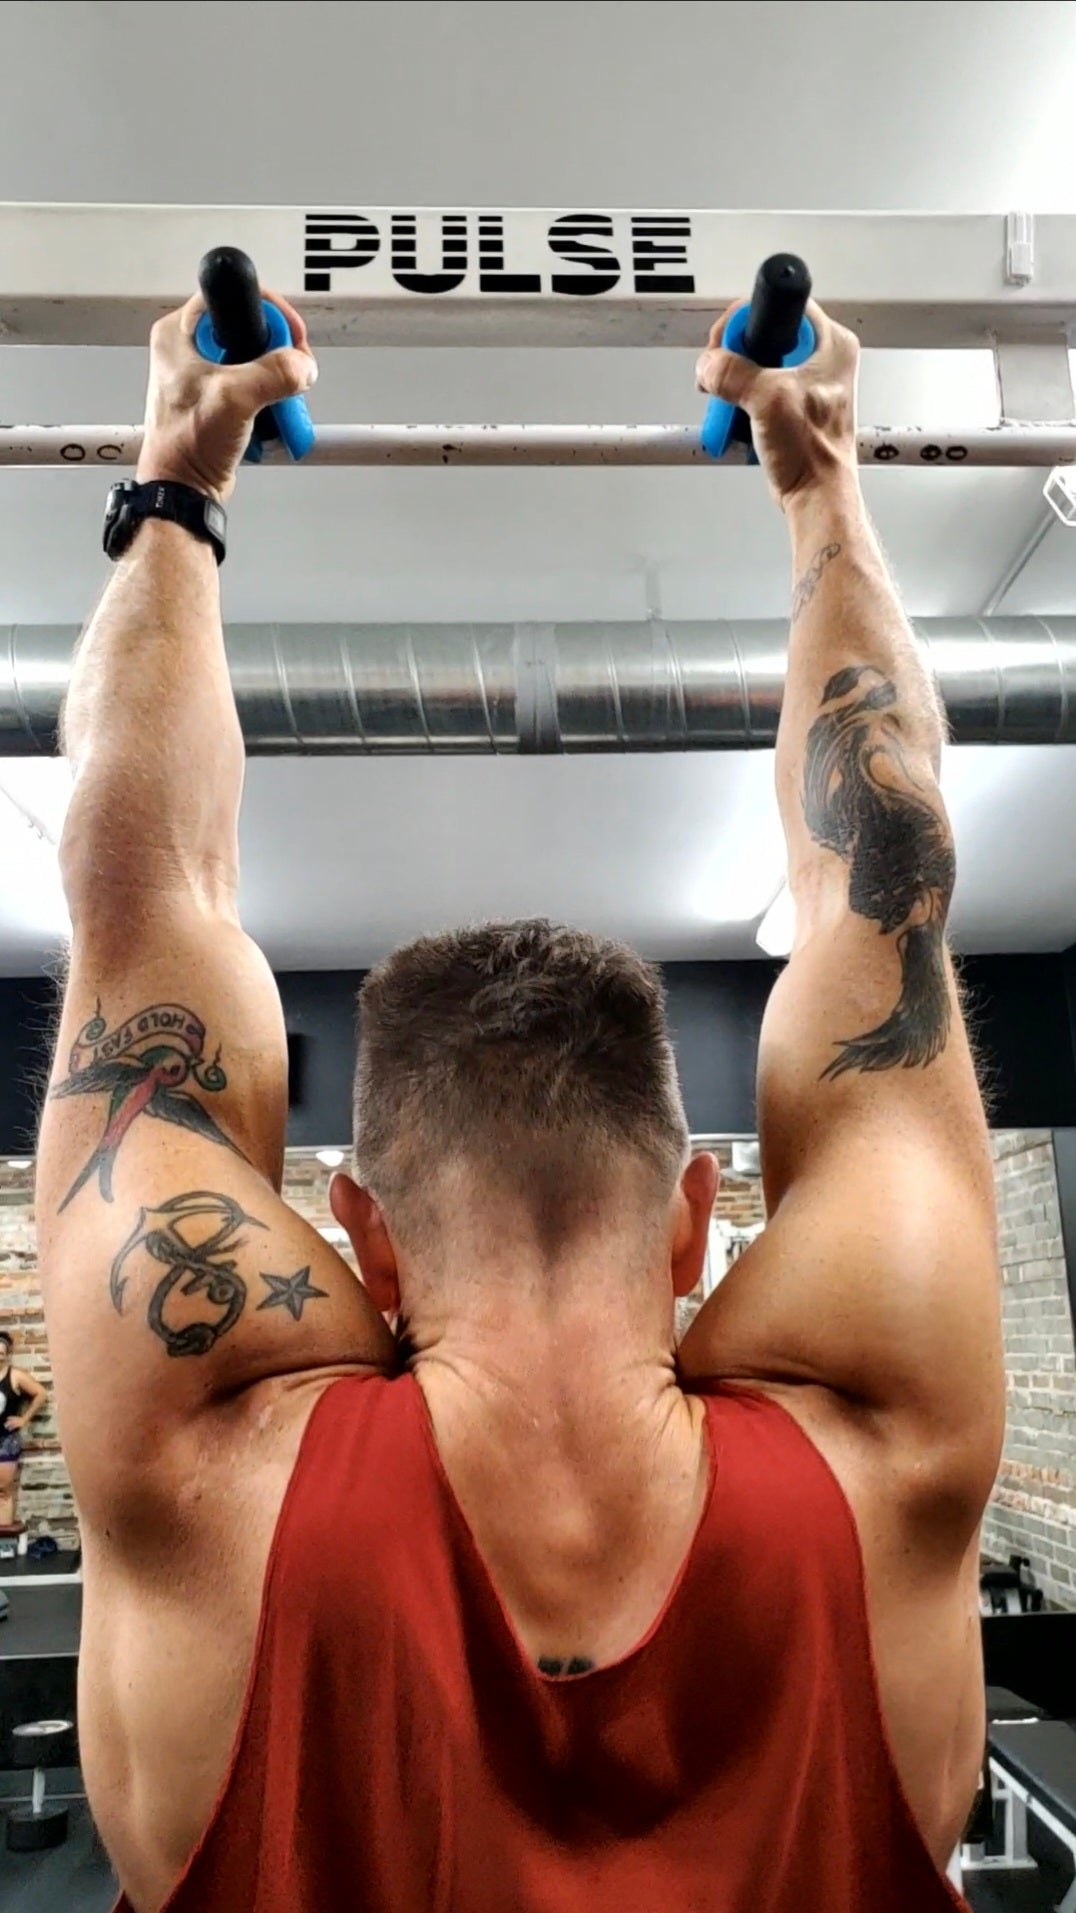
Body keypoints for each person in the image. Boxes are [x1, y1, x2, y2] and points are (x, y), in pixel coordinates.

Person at [34, 286, 1003, 1913]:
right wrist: (821, 473)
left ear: (361, 1238)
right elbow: (877, 876)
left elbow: (134, 897)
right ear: (696, 1218)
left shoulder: (212, 1459)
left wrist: (181, 482)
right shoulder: (880, 1442)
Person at [0, 1329, 48, 1526]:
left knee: (2, 1491)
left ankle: (3, 1544)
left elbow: (41, 1394)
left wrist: (24, 1419)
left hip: (5, 1441)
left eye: (2, 1353)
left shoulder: (15, 1376)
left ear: (7, 1354)